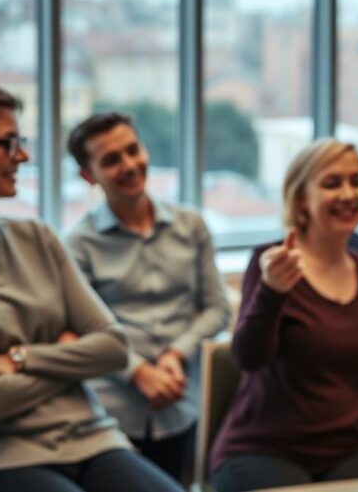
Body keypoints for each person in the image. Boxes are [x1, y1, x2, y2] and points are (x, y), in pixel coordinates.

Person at [0, 75, 182, 492]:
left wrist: (17, 359)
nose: (22, 155)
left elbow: (113, 347)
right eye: (7, 143)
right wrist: (67, 355)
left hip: (92, 439)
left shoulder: (37, 238)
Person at [209, 139, 358, 491]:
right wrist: (272, 292)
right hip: (263, 450)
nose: (348, 194)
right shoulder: (272, 263)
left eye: (356, 181)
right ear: (302, 198)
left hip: (346, 451)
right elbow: (248, 358)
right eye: (332, 183)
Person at [64, 112, 232, 481]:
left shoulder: (191, 226)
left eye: (132, 150)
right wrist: (137, 372)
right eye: (111, 160)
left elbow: (218, 308)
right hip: (110, 412)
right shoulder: (78, 245)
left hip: (183, 398)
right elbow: (79, 331)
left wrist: (176, 353)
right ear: (88, 175)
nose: (129, 165)